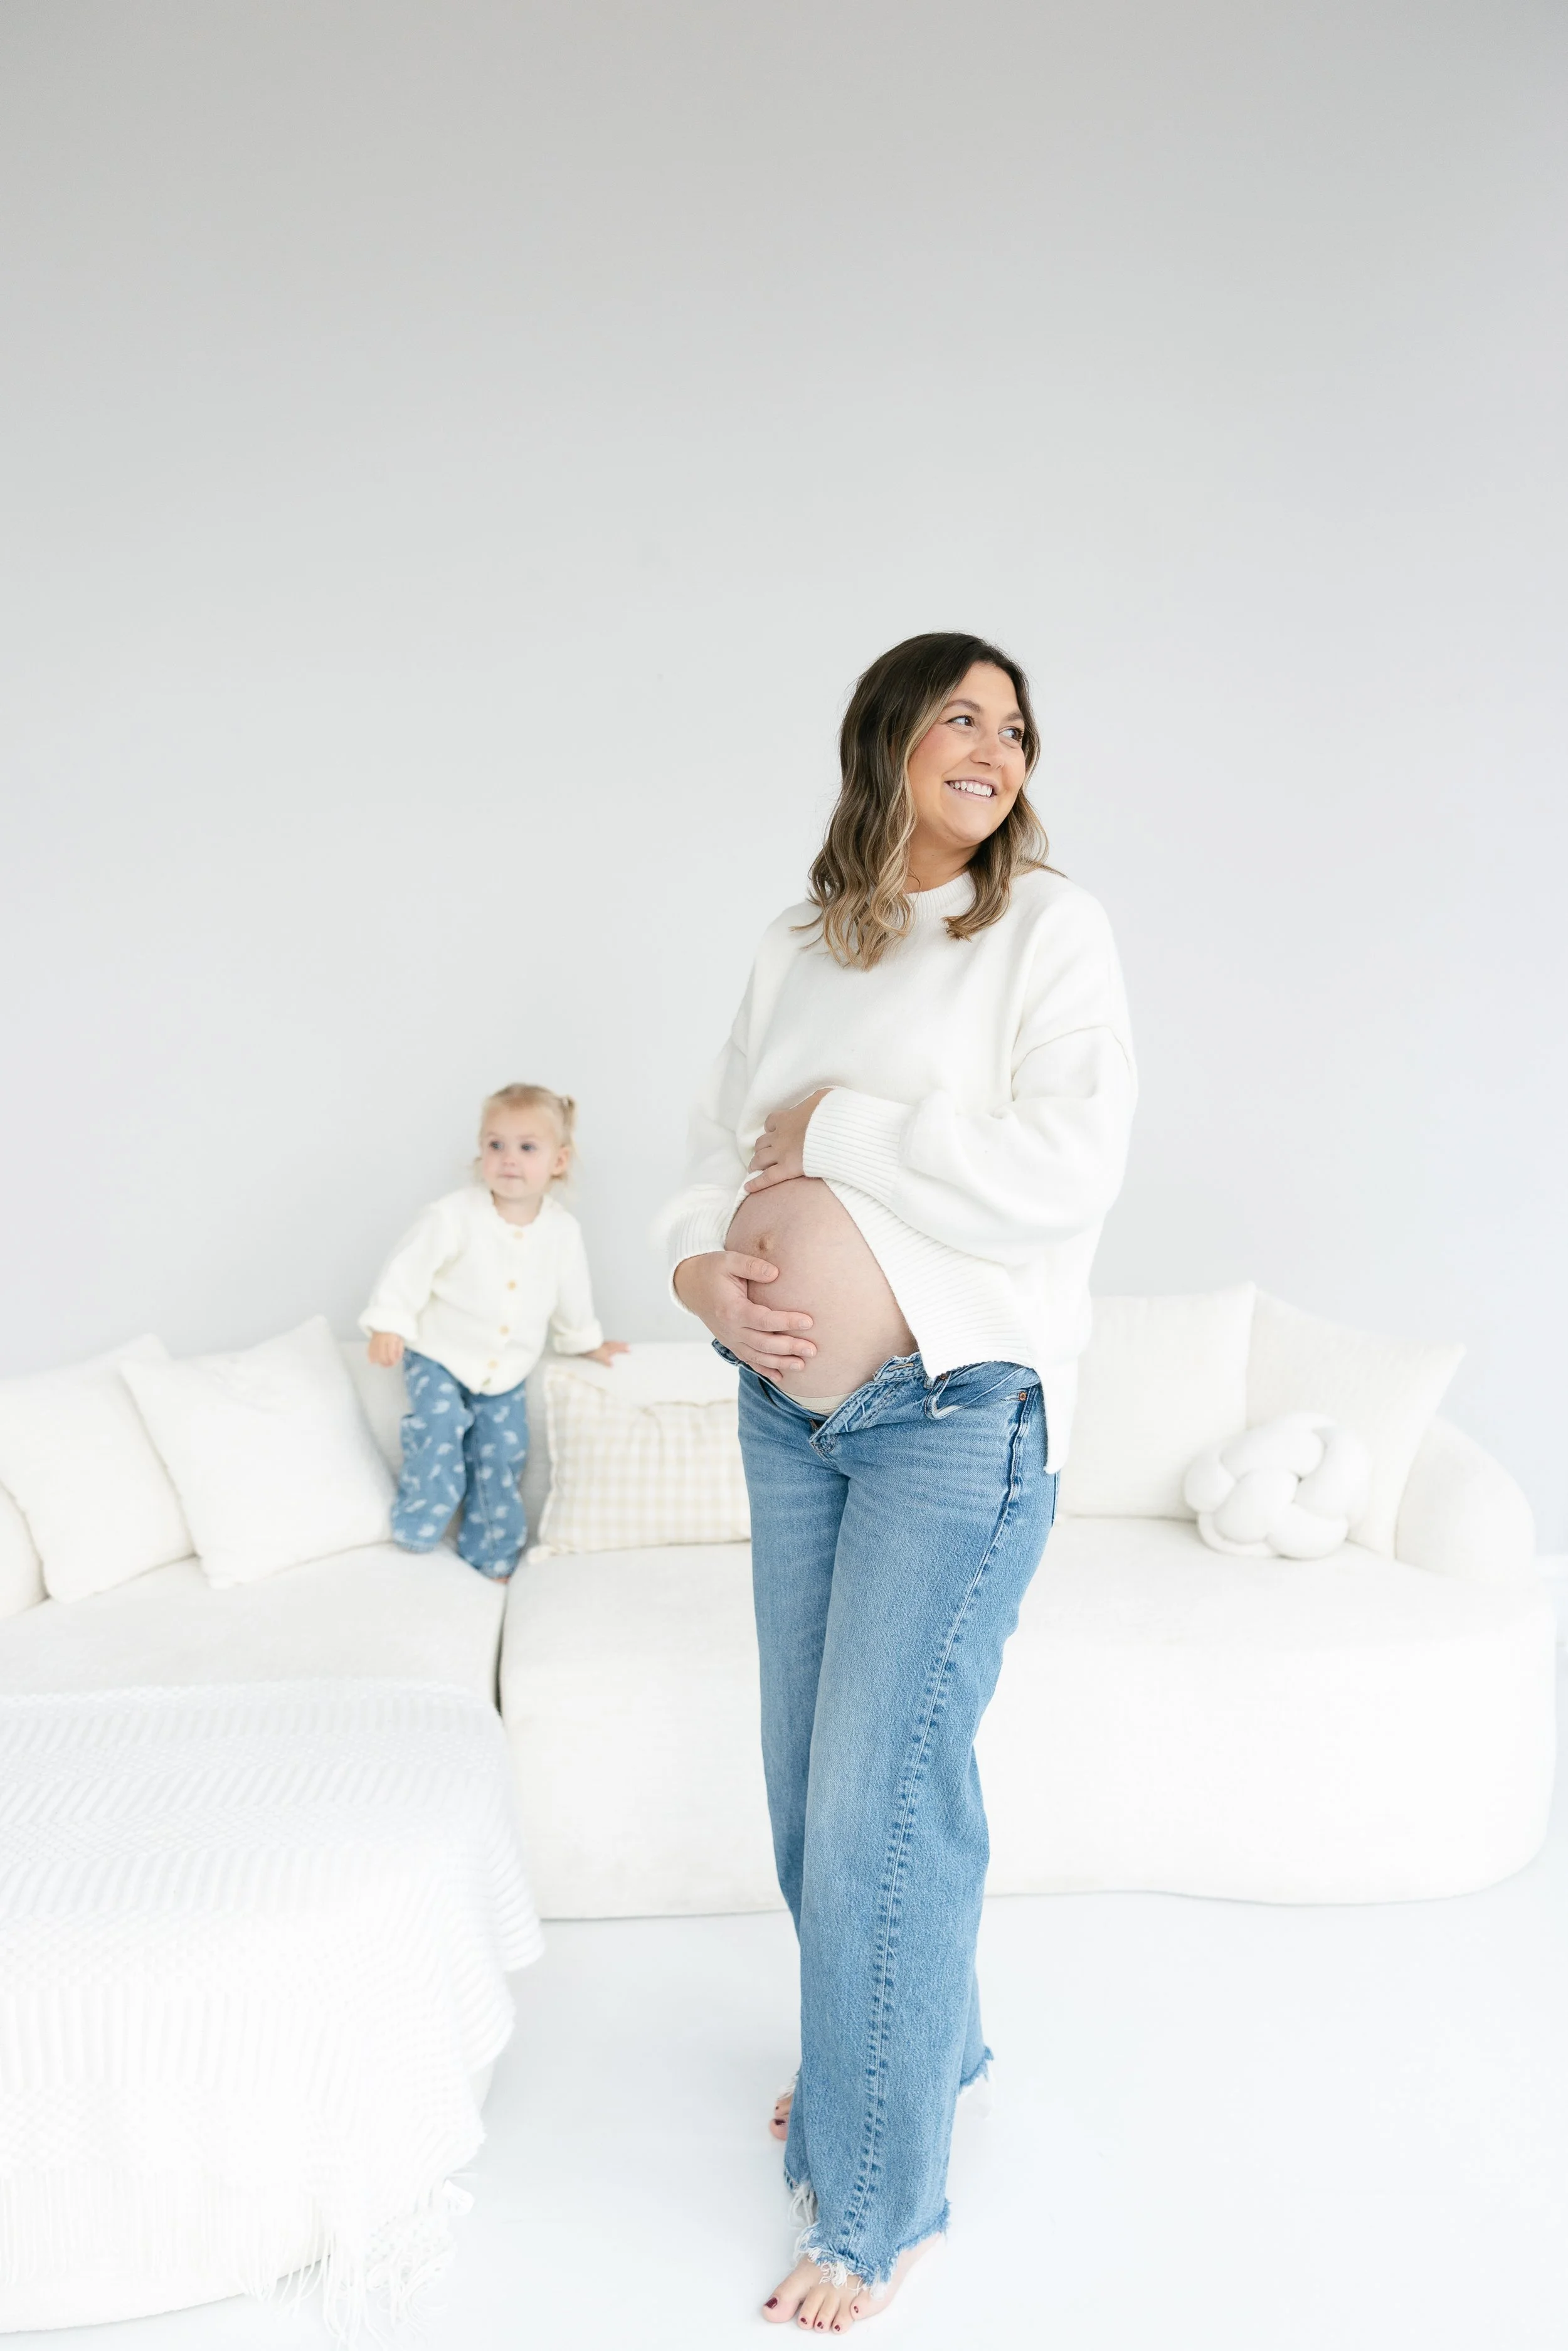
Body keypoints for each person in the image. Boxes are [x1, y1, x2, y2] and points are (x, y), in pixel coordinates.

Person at [657, 632, 1136, 2329]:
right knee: (813, 1782)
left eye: (1014, 726)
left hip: (956, 1408)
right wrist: (701, 1280)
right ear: (883, 740)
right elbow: (707, 1163)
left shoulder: (1045, 929)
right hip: (784, 1410)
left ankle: (875, 2195)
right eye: (960, 714)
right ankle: (911, 2045)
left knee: (881, 1796)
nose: (994, 746)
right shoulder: (800, 945)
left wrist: (842, 1129)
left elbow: (1068, 1168)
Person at [362, 1083, 625, 1579]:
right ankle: (417, 1528)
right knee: (439, 1433)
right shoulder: (453, 1216)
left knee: (501, 1455)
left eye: (527, 1147)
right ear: (481, 1150)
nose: (509, 1159)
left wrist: (585, 1341)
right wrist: (388, 1324)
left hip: (505, 1370)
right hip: (438, 1354)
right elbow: (408, 1271)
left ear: (558, 1161)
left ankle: (492, 1554)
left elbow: (573, 1296)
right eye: (495, 1144)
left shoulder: (562, 1232)